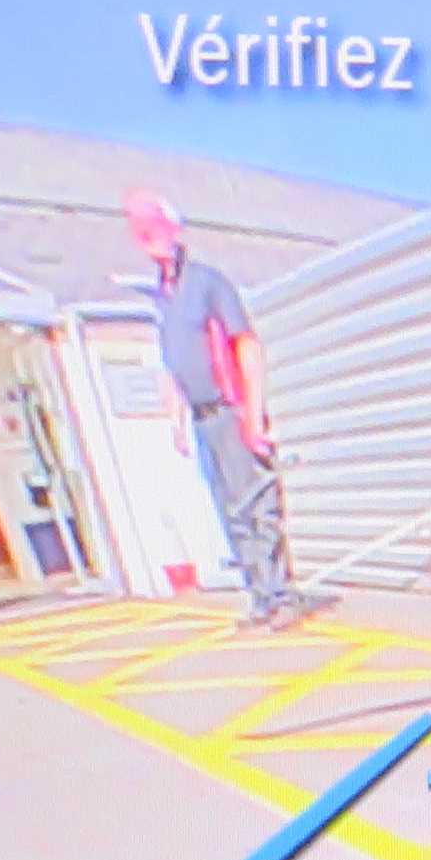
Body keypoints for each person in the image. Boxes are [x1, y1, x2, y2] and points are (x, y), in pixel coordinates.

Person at [128, 187, 291, 619]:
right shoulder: (162, 298)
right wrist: (177, 421)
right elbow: (172, 363)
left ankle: (279, 595)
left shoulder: (207, 283)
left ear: (173, 229)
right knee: (229, 511)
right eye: (141, 230)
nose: (149, 238)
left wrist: (252, 415)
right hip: (201, 420)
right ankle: (260, 598)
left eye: (154, 226)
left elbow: (247, 345)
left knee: (255, 505)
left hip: (230, 410)